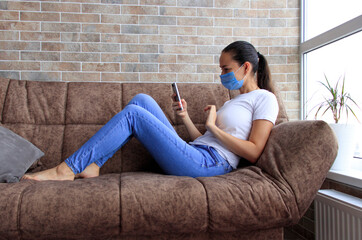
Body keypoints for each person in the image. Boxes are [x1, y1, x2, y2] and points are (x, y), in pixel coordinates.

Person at [22, 41, 279, 181]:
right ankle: (94, 165)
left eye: (225, 69)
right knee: (142, 100)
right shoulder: (232, 101)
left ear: (246, 67)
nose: (222, 75)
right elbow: (203, 140)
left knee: (134, 115)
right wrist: (185, 118)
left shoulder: (265, 99)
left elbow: (254, 152)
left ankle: (65, 170)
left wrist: (212, 126)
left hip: (211, 164)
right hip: (198, 152)